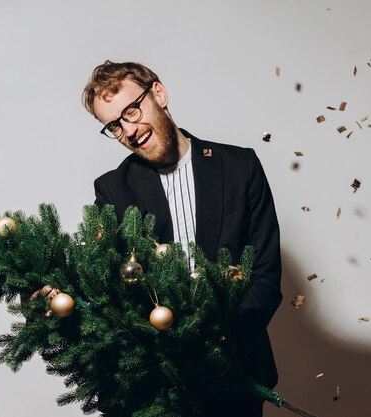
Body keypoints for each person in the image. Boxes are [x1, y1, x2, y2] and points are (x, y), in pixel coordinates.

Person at [82, 60, 282, 417]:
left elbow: (265, 274)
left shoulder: (240, 167)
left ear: (158, 94)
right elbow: (111, 290)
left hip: (234, 378)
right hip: (153, 386)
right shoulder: (112, 190)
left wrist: (224, 350)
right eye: (114, 125)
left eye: (131, 110)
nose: (129, 130)